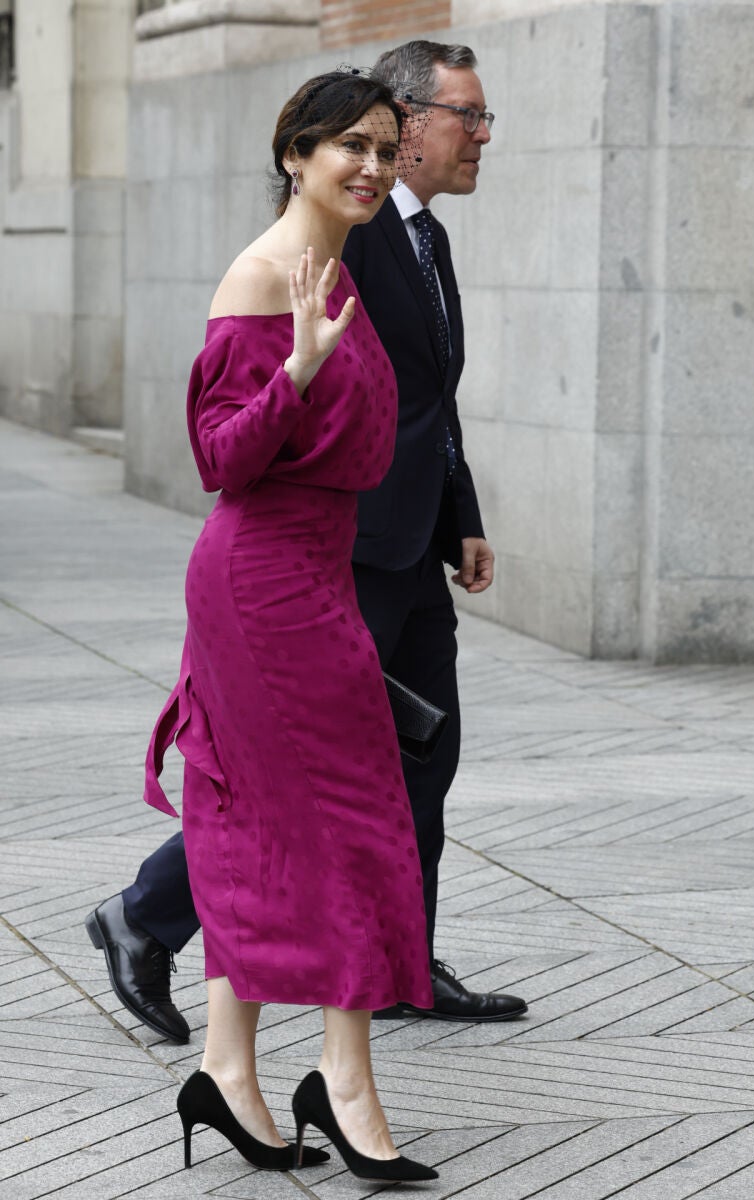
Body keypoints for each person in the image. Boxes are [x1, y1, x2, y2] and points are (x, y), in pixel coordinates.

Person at [85, 40, 526, 1046]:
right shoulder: (343, 235)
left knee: (423, 755)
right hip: (333, 553)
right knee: (301, 773)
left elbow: (429, 403)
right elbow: (241, 425)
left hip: (412, 540)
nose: (479, 136)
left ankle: (402, 958)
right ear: (404, 126)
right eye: (465, 115)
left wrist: (462, 513)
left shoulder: (426, 243)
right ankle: (146, 915)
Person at [96, 69, 439, 1182]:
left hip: (313, 574)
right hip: (262, 584)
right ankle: (342, 1080)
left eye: (387, 148)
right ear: (293, 152)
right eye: (350, 145)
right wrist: (293, 369)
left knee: (262, 824)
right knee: (352, 824)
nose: (374, 167)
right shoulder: (260, 277)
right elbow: (219, 459)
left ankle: (228, 1073)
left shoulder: (334, 264)